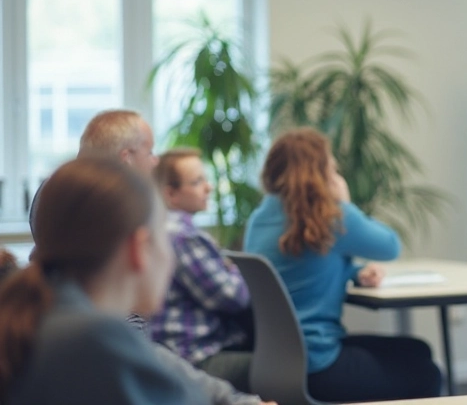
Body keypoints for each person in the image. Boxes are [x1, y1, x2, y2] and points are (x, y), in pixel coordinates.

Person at [29, 109, 273, 405]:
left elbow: (156, 361)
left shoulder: (60, 320)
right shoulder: (96, 345)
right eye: (163, 237)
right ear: (138, 249)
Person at [244, 128, 442, 402]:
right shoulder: (330, 217)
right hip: (320, 365)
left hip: (274, 363)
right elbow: (389, 246)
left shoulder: (259, 219)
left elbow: (300, 268)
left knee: (415, 350)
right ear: (321, 173)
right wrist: (347, 204)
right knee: (426, 372)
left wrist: (354, 272)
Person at [0, 157, 209, 404]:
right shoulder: (96, 340)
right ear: (138, 248)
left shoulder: (41, 314)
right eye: (164, 237)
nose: (171, 256)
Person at [149, 148, 253, 392]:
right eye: (197, 182)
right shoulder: (182, 236)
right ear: (171, 194)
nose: (209, 188)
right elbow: (235, 298)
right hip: (196, 360)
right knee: (287, 364)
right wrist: (236, 270)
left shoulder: (159, 226)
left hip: (174, 355)